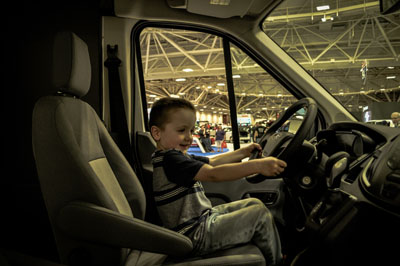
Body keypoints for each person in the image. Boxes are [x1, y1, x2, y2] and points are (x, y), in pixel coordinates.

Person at [149, 97, 287, 266]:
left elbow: (212, 162)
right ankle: (277, 261)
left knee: (254, 203)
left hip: (200, 221)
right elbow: (213, 174)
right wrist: (257, 165)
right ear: (157, 133)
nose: (189, 137)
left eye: (191, 131)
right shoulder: (171, 160)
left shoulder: (175, 157)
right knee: (258, 215)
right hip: (194, 234)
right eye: (181, 130)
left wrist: (243, 153)